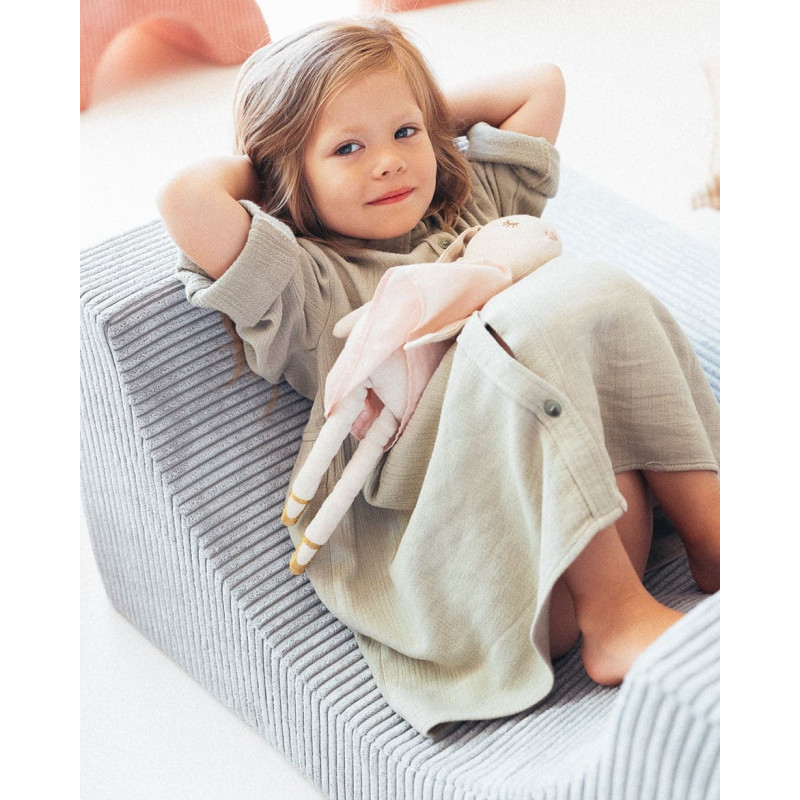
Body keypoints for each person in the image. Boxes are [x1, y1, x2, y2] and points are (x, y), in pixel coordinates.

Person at [158, 17, 720, 737]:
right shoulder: (307, 285)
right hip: (482, 580)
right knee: (510, 327)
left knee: (592, 286)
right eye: (348, 148)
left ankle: (714, 537)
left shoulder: (471, 211)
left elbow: (540, 84)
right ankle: (614, 617)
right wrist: (272, 162)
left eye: (405, 133)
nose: (389, 163)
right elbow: (184, 198)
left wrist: (407, 108)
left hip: (591, 516)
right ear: (288, 171)